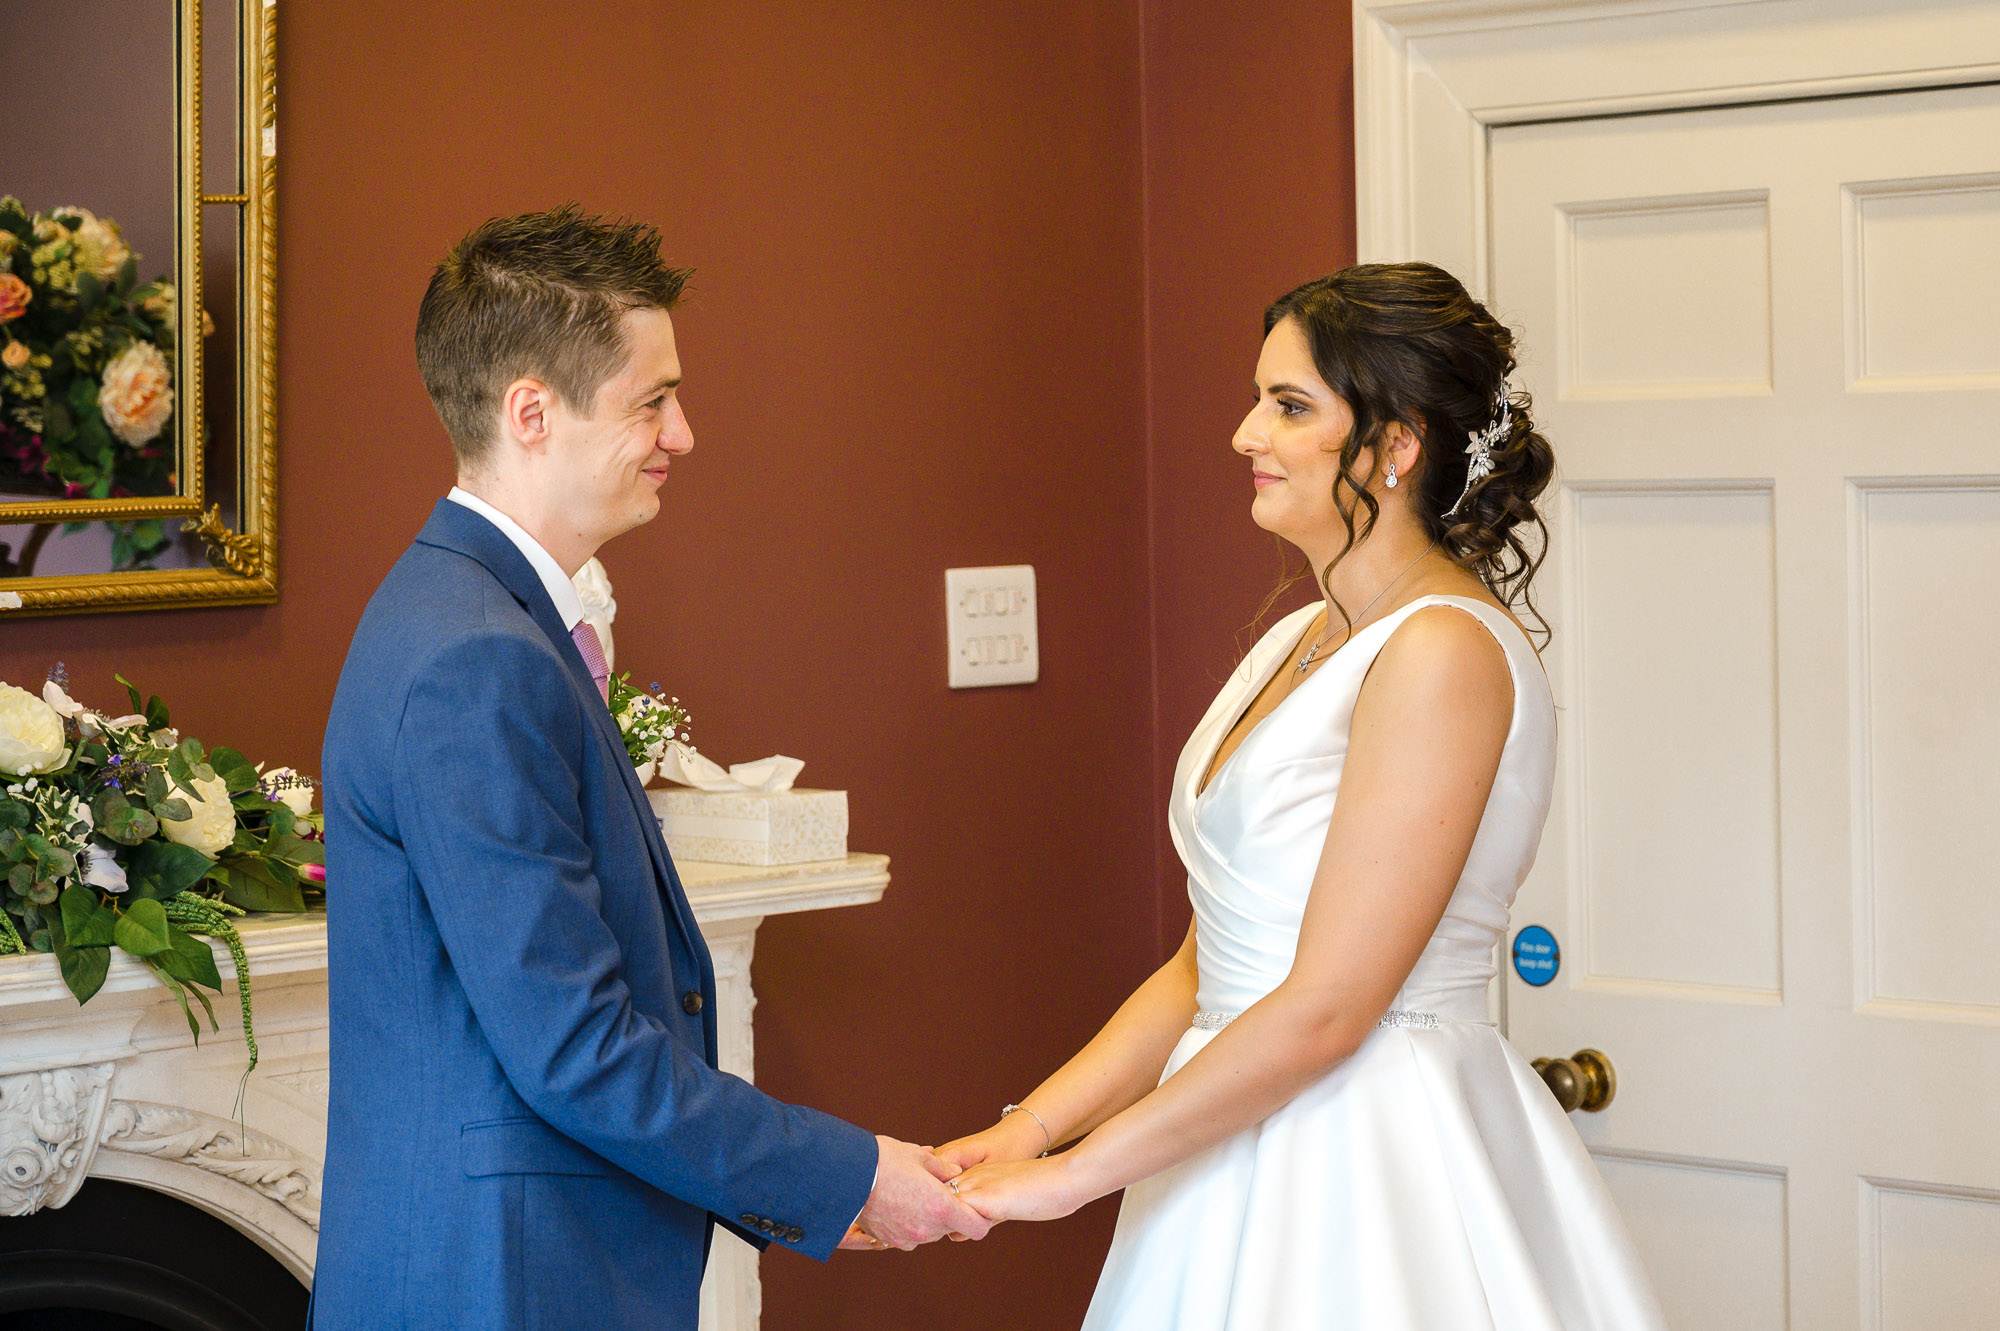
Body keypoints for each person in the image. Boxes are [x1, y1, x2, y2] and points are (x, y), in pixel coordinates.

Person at [940, 264, 1668, 1328]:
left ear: (1394, 446)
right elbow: (1205, 965)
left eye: (1288, 406)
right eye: (1259, 399)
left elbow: (1328, 1008)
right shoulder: (1302, 636)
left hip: (1364, 1159)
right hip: (1220, 1141)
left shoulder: (1440, 651)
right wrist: (1033, 1128)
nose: (1245, 433)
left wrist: (1073, 1178)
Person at [315, 205, 986, 1331]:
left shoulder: (463, 610)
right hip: (503, 1279)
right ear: (532, 412)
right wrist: (845, 1175)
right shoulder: (479, 656)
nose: (683, 433)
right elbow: (576, 1046)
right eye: (651, 400)